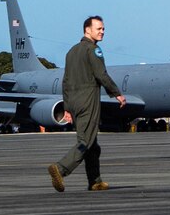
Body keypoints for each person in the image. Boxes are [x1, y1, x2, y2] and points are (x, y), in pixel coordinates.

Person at [47, 14, 126, 192]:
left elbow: (65, 81)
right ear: (87, 30)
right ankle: (60, 169)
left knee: (93, 145)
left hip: (74, 101)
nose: (102, 32)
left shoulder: (72, 52)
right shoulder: (93, 50)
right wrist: (117, 93)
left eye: (103, 29)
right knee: (86, 141)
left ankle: (95, 181)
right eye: (99, 29)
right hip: (88, 99)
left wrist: (67, 107)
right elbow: (101, 74)